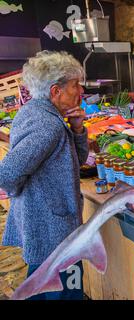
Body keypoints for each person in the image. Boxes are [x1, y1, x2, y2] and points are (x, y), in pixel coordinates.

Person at [0, 51, 88, 300]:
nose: (79, 91)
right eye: (74, 85)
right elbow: (7, 173)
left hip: (46, 227)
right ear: (55, 91)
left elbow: (74, 162)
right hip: (53, 230)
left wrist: (78, 129)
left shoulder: (37, 112)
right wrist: (24, 194)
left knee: (39, 287)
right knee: (65, 292)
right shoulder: (47, 125)